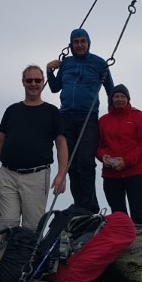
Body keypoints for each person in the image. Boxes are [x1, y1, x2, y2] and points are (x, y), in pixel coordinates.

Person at [0, 64, 68, 230]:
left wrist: (62, 174)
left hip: (37, 176)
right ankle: (7, 249)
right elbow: (0, 141)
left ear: (43, 82)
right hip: (8, 175)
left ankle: (29, 249)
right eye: (29, 80)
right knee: (7, 225)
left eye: (37, 80)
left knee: (32, 227)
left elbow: (61, 143)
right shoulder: (12, 110)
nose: (33, 84)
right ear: (23, 82)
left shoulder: (52, 111)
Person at [46, 28, 114, 214]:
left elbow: (110, 90)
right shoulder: (66, 63)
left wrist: (112, 115)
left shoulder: (99, 63)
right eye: (76, 42)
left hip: (88, 116)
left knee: (86, 161)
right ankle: (80, 205)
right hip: (65, 116)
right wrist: (49, 71)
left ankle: (89, 206)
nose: (79, 45)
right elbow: (54, 88)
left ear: (88, 43)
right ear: (71, 45)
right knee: (71, 163)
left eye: (83, 41)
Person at [97, 84, 142, 226]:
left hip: (136, 172)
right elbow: (97, 146)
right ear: (111, 99)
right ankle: (122, 239)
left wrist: (126, 161)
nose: (119, 99)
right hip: (111, 175)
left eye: (123, 96)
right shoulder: (103, 120)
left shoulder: (138, 117)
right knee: (118, 215)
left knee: (138, 213)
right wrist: (103, 156)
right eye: (116, 96)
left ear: (128, 99)